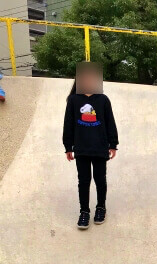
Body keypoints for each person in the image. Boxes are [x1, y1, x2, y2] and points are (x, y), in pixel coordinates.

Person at [62, 70, 118, 230]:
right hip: (81, 148)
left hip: (100, 147)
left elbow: (110, 122)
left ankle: (101, 208)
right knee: (83, 181)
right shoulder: (73, 100)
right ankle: (84, 211)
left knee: (100, 180)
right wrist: (68, 146)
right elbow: (68, 124)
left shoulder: (103, 100)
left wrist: (113, 144)